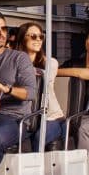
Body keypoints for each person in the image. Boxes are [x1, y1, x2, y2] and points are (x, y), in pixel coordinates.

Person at [0, 11, 37, 169]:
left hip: (14, 117)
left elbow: (31, 93)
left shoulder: (19, 58)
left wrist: (7, 89)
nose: (1, 33)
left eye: (4, 29)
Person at [14, 22, 65, 152]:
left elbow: (37, 78)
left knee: (39, 137)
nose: (37, 39)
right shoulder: (13, 63)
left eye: (40, 36)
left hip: (51, 117)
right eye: (33, 36)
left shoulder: (50, 63)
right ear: (22, 38)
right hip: (26, 117)